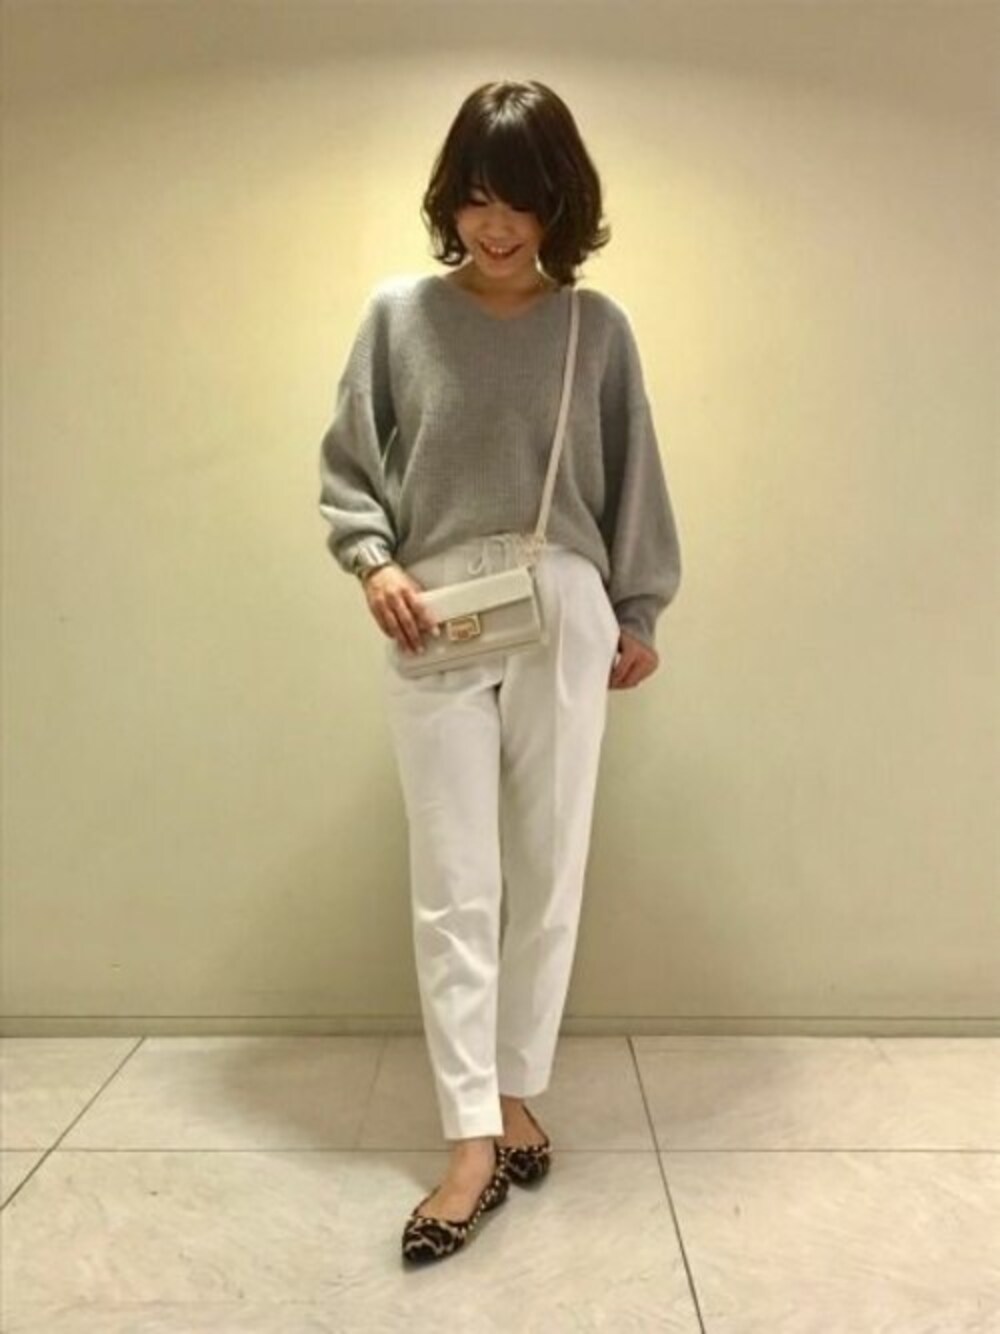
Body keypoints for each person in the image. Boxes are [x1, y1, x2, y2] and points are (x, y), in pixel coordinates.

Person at [317, 79, 682, 1264]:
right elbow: (348, 465)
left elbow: (633, 473)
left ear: (558, 204)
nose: (495, 223)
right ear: (449, 200)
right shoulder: (398, 316)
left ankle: (513, 1085)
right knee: (454, 878)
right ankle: (470, 1135)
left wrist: (638, 605)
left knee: (548, 861)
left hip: (561, 603)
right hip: (436, 613)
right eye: (476, 196)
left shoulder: (595, 327)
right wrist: (373, 561)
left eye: (520, 198)